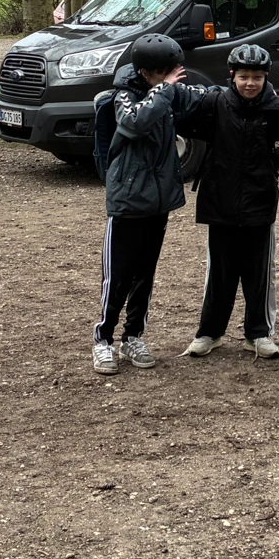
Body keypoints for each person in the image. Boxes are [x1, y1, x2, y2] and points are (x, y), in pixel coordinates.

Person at [93, 33, 206, 376]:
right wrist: (166, 89)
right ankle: (103, 339)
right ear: (146, 73)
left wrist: (243, 87)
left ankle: (133, 337)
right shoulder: (123, 96)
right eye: (166, 73)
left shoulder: (166, 89)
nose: (174, 77)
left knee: (145, 273)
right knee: (118, 275)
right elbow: (134, 123)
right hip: (128, 200)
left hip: (158, 201)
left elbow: (201, 97)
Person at [181, 44, 279, 362]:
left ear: (266, 78)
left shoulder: (275, 108)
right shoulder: (214, 103)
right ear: (232, 76)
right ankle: (209, 332)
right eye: (244, 76)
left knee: (259, 273)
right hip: (220, 200)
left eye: (257, 77)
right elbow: (181, 118)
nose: (250, 83)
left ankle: (258, 333)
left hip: (259, 201)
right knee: (220, 272)